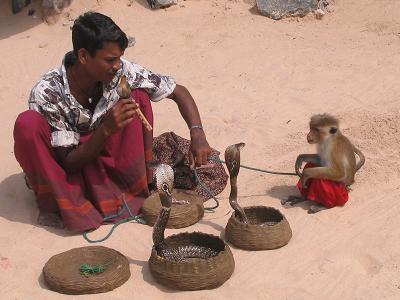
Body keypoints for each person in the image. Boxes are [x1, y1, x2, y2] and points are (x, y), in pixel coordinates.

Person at [13, 11, 211, 233]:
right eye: (110, 60)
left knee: (138, 98)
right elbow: (68, 163)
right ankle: (55, 201)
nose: (118, 65)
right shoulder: (48, 93)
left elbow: (178, 91)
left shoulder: (120, 71)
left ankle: (127, 188)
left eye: (119, 58)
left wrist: (197, 133)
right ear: (83, 56)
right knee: (27, 124)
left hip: (101, 153)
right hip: (68, 163)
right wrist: (107, 129)